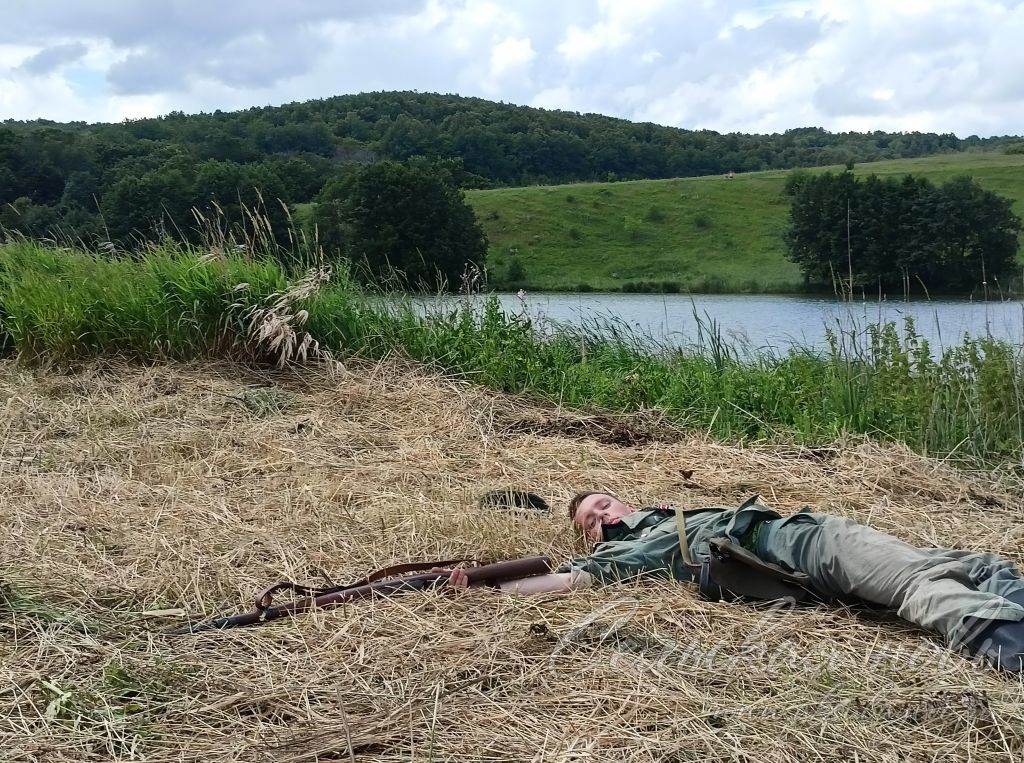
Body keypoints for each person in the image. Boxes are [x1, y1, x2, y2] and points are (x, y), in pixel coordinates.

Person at [447, 491, 1024, 673]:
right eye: (591, 523)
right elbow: (572, 581)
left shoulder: (664, 515)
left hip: (807, 539)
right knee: (920, 586)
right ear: (594, 539)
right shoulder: (629, 553)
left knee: (980, 567)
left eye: (602, 504)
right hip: (806, 546)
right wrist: (484, 587)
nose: (602, 517)